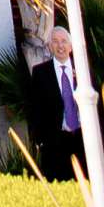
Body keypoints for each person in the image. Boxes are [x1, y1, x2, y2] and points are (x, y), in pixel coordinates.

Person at [30, 27, 84, 180]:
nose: (60, 46)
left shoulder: (83, 70)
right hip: (54, 143)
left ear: (71, 46)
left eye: (64, 41)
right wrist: (40, 141)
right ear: (49, 46)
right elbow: (35, 108)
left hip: (82, 140)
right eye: (55, 41)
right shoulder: (40, 73)